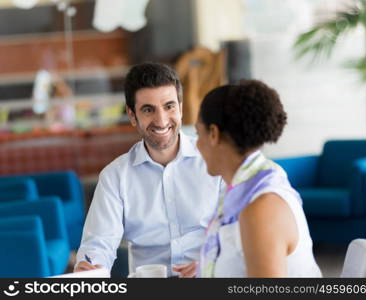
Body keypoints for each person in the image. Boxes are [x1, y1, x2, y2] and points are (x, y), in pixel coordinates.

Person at [74, 62, 222, 277]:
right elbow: (99, 244)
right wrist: (90, 268)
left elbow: (236, 230)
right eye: (148, 109)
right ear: (132, 116)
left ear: (181, 108)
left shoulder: (215, 160)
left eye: (169, 106)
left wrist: (211, 263)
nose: (161, 120)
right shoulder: (115, 176)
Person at [195, 79, 322, 277]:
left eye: (198, 133)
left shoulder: (262, 208)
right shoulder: (251, 182)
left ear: (213, 134)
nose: (196, 145)